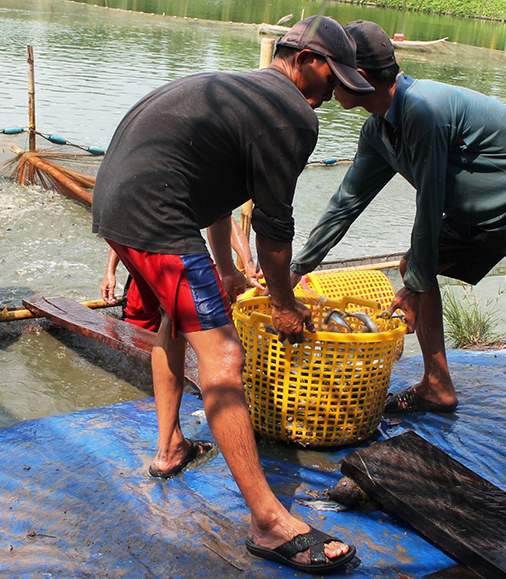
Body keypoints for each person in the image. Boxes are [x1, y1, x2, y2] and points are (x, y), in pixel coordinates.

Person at [92, 16, 372, 573]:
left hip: (117, 206)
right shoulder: (290, 114)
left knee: (179, 323)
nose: (334, 96)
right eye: (334, 79)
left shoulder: (237, 89)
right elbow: (273, 230)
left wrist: (225, 268)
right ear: (309, 60)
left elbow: (215, 194)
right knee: (224, 356)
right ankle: (268, 523)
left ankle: (170, 449)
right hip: (158, 216)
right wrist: (285, 304)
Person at [290, 20, 506, 503]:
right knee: (417, 263)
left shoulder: (422, 109)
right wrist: (296, 269)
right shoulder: (379, 130)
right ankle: (437, 385)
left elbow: (429, 204)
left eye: (334, 69)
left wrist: (413, 282)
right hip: (477, 208)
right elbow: (347, 201)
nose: (326, 80)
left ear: (358, 75)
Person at [100, 216, 262, 331]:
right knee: (138, 328)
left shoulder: (202, 184)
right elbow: (125, 230)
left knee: (184, 328)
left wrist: (248, 264)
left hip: (182, 264)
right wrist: (110, 272)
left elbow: (225, 220)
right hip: (147, 267)